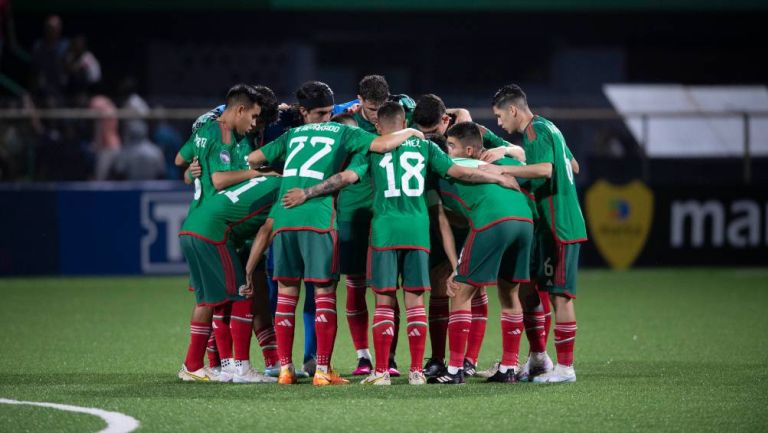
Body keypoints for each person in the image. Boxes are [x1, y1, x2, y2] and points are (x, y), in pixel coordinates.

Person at [281, 104, 519, 386]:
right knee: (415, 301)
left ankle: (381, 371)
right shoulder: (427, 149)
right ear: (404, 121)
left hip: (384, 230)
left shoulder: (372, 149)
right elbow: (458, 172)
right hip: (418, 231)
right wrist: (497, 176)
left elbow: (347, 177)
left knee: (384, 300)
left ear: (379, 128)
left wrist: (308, 192)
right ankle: (416, 371)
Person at [247, 94, 426, 386]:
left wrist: (290, 174)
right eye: (325, 112)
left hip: (284, 218)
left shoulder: (292, 134)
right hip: (318, 219)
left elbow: (254, 159)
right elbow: (379, 147)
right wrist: (411, 131)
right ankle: (321, 370)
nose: (327, 116)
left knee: (285, 296)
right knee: (324, 293)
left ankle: (285, 370)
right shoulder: (344, 131)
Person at [481, 84, 588, 383]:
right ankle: (538, 358)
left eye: (500, 117)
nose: (500, 123)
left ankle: (566, 368)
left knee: (560, 297)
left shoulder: (534, 131)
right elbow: (574, 166)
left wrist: (505, 170)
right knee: (533, 289)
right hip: (549, 225)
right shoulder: (549, 127)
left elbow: (545, 170)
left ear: (513, 110)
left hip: (560, 225)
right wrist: (514, 154)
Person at [176, 84, 279, 381]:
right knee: (239, 290)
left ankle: (211, 365)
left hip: (201, 221)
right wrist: (258, 174)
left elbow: (178, 161)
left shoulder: (210, 131)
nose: (256, 124)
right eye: (255, 117)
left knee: (213, 299)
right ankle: (232, 365)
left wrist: (191, 171)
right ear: (240, 109)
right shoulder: (222, 133)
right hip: (220, 225)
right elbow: (221, 179)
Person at [428, 122, 534, 384]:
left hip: (493, 222)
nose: (447, 150)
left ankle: (454, 370)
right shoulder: (503, 165)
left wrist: (456, 267)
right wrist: (510, 153)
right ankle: (509, 366)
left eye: (451, 145)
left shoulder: (448, 169)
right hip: (525, 222)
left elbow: (445, 220)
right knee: (510, 293)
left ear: (471, 150)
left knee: (460, 291)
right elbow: (530, 166)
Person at [341, 74, 415, 376]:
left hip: (388, 214)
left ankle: (390, 356)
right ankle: (362, 356)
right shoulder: (343, 120)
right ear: (359, 102)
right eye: (370, 109)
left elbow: (454, 115)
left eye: (380, 108)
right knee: (355, 285)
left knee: (386, 289)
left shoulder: (400, 115)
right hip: (352, 211)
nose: (375, 115)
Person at [177, 174, 280, 384]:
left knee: (210, 300)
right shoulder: (287, 188)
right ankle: (242, 369)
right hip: (215, 233)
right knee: (242, 292)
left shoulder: (264, 181)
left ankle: (197, 365)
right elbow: (265, 232)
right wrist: (249, 271)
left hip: (191, 226)